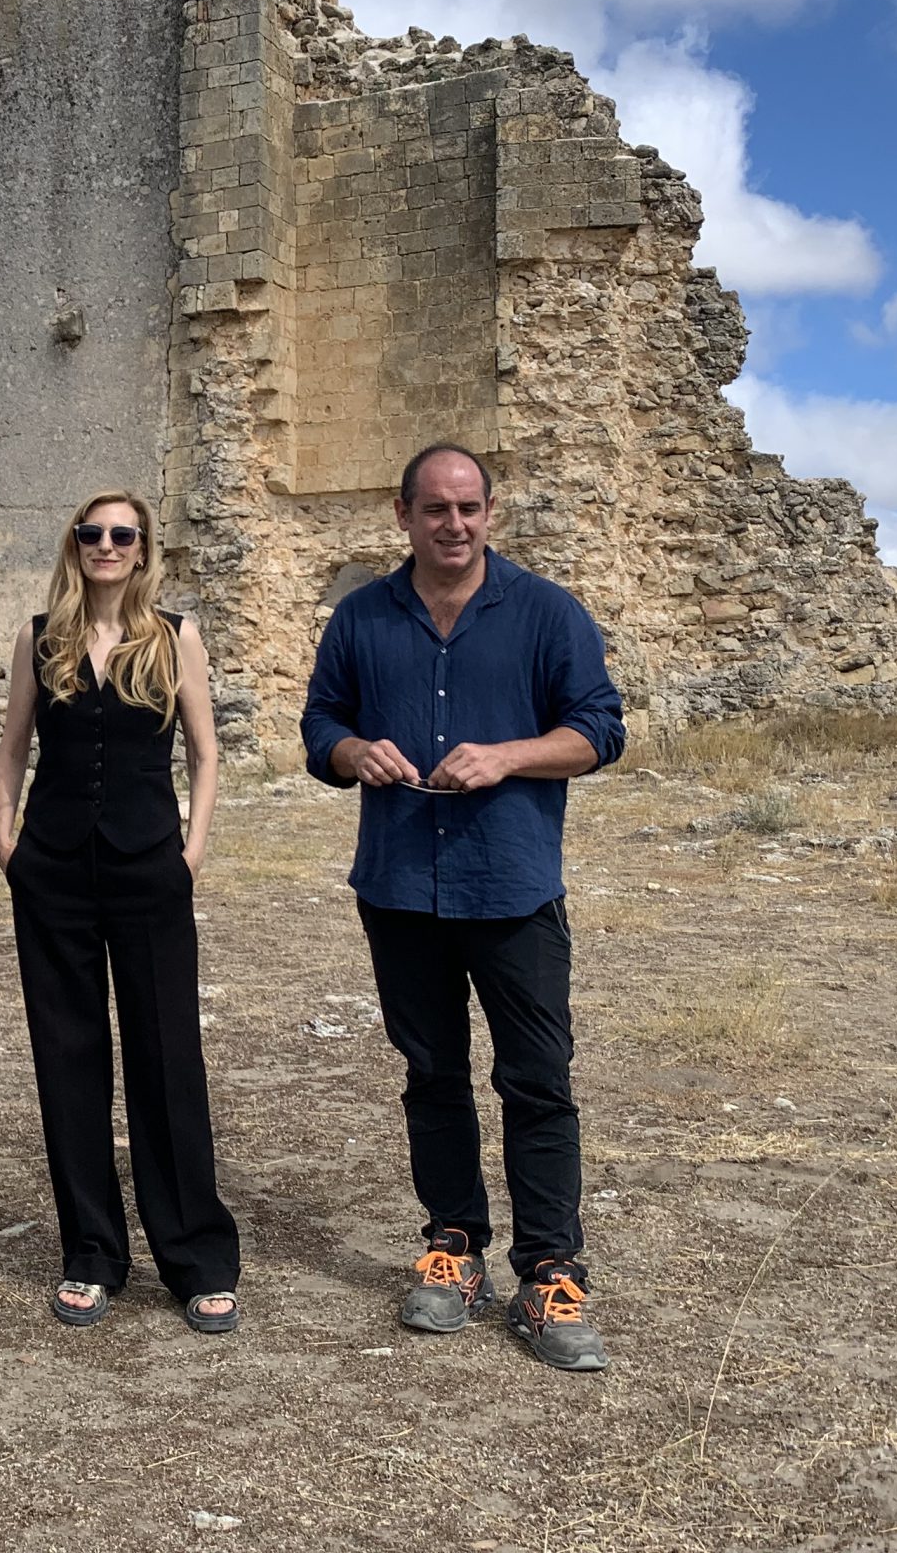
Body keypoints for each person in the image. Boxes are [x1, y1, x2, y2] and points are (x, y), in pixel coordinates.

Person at [300, 444, 625, 1372]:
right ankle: (453, 1248)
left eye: (470, 508)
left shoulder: (547, 613)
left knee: (537, 1079)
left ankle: (552, 1272)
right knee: (431, 1075)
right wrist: (351, 752)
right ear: (401, 514)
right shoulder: (361, 617)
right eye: (435, 510)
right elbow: (318, 724)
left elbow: (601, 729)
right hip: (400, 888)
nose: (454, 525)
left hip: (512, 885)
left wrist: (508, 755)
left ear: (491, 512)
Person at [0, 490, 241, 1333]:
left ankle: (197, 1256)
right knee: (69, 1057)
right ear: (76, 544)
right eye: (92, 533)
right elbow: (14, 748)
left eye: (122, 535)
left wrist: (192, 850)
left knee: (168, 1057)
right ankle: (92, 1252)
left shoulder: (176, 637)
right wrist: (6, 841)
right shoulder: (40, 636)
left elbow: (206, 752)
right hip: (54, 870)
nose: (106, 545)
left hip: (148, 869)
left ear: (142, 550)